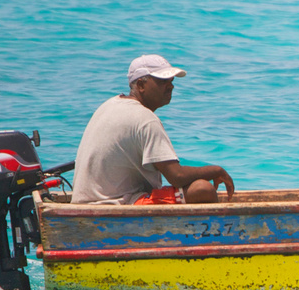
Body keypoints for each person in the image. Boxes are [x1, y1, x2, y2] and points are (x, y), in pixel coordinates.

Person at [70, 54, 236, 205]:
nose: (171, 87)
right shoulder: (145, 119)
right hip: (115, 204)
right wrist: (216, 171)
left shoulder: (110, 104)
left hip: (86, 201)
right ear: (141, 85)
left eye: (171, 81)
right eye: (163, 81)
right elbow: (177, 177)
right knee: (202, 190)